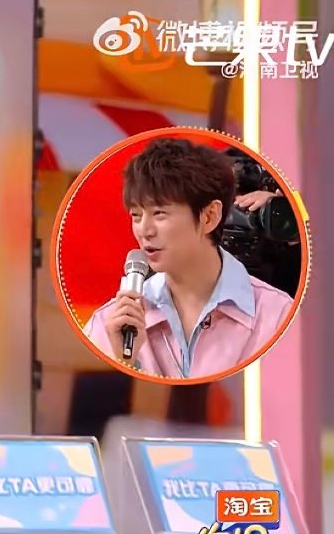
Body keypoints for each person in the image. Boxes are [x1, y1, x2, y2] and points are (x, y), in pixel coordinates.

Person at [83, 138, 294, 380]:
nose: (144, 231)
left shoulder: (278, 316)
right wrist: (124, 364)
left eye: (159, 213)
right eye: (136, 215)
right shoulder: (107, 326)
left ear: (209, 216)